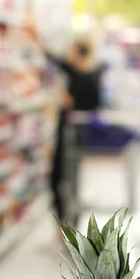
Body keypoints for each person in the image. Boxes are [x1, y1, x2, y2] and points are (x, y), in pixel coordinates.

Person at [49, 39, 102, 226]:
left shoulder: (86, 77)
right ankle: (69, 220)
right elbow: (59, 62)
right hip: (75, 136)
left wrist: (63, 98)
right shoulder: (88, 73)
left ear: (79, 54)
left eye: (71, 51)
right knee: (71, 180)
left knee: (62, 178)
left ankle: (66, 222)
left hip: (70, 136)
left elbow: (77, 104)